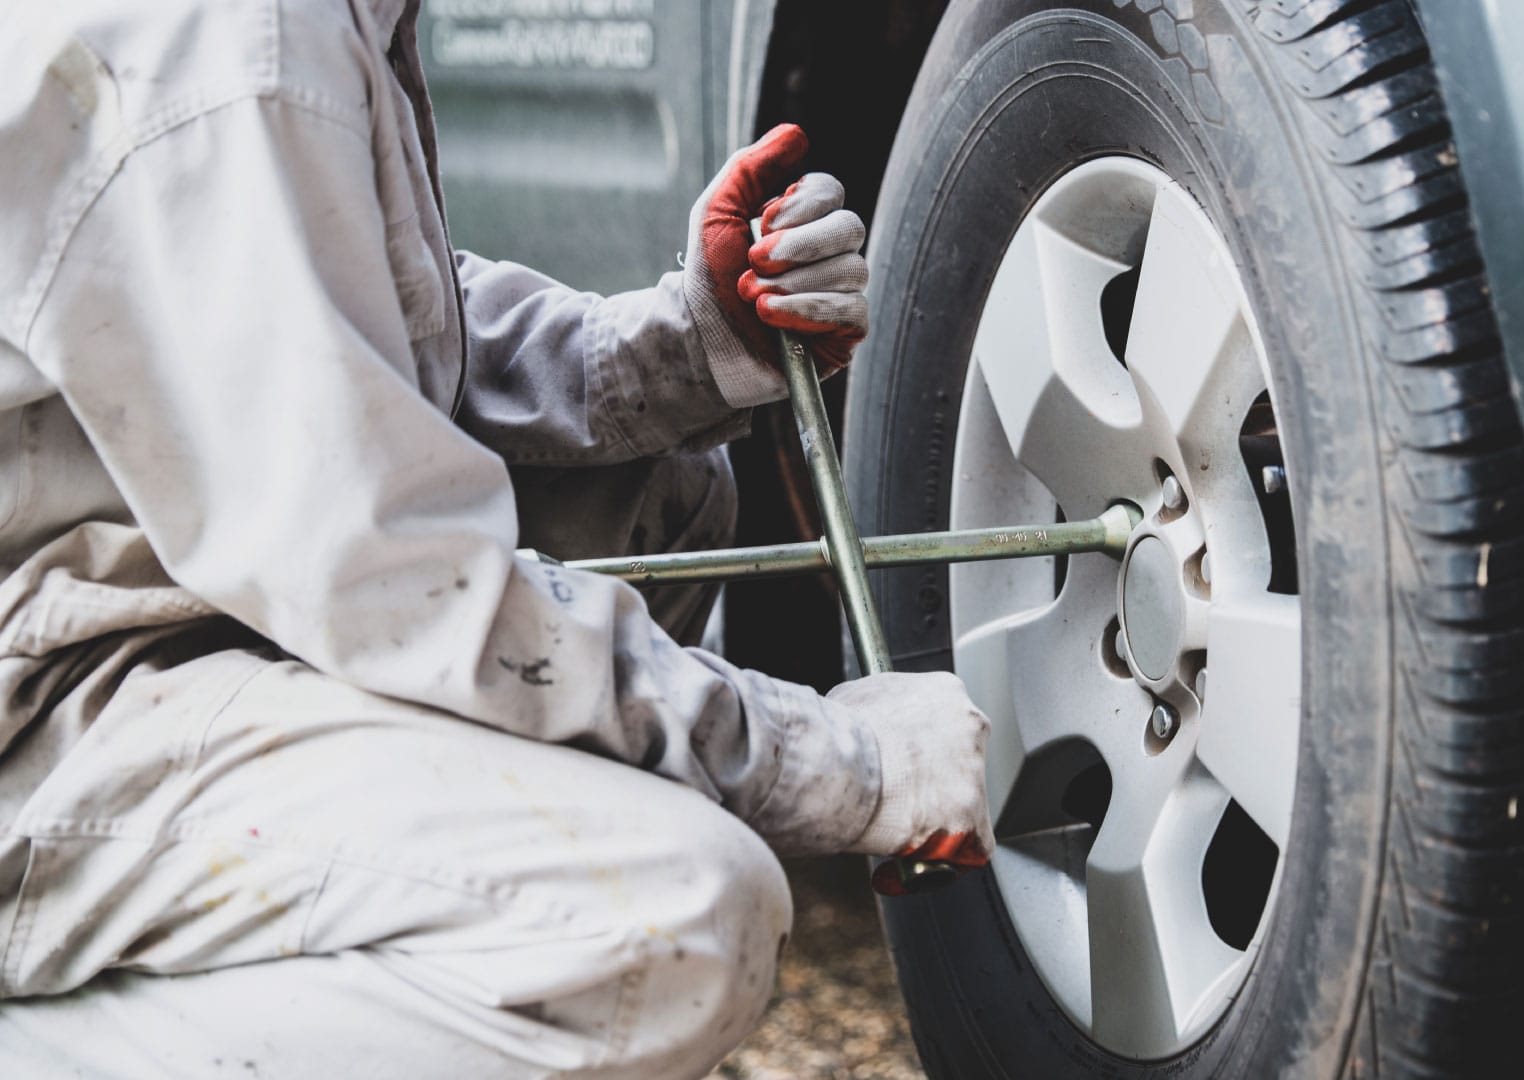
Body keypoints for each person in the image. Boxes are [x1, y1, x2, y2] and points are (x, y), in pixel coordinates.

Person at [0, 2, 994, 1076]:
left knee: (654, 490)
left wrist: (685, 349)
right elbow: (399, 580)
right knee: (675, 922)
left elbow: (335, 305)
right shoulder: (230, 37)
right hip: (45, 724)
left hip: (155, 601)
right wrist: (841, 763)